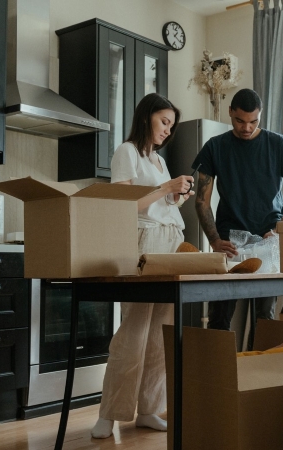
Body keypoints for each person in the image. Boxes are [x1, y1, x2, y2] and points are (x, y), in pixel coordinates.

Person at [91, 93, 194, 439]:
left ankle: (149, 408)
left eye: (171, 126)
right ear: (147, 116)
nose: (168, 130)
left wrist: (177, 195)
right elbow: (125, 205)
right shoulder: (127, 152)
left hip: (171, 240)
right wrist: (167, 187)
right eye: (164, 122)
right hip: (144, 241)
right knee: (133, 330)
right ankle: (109, 413)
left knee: (161, 331)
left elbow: (161, 203)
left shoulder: (160, 161)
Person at [193, 88, 283, 331]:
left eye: (253, 121)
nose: (246, 127)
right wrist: (214, 239)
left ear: (260, 116)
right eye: (240, 121)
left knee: (264, 318)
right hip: (228, 242)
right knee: (219, 318)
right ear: (230, 113)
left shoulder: (278, 144)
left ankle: (260, 369)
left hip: (267, 241)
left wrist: (281, 229)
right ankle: (217, 369)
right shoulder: (214, 147)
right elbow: (202, 201)